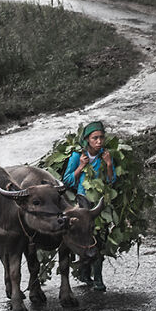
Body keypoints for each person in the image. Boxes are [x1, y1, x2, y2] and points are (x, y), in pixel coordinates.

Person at [62, 120, 115, 291]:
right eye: (95, 138)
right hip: (82, 203)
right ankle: (85, 272)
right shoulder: (77, 156)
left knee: (100, 238)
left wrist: (108, 165)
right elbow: (67, 180)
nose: (99, 141)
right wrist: (81, 166)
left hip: (99, 202)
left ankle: (98, 278)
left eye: (101, 138)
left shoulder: (105, 155)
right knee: (85, 238)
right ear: (87, 140)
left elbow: (110, 181)